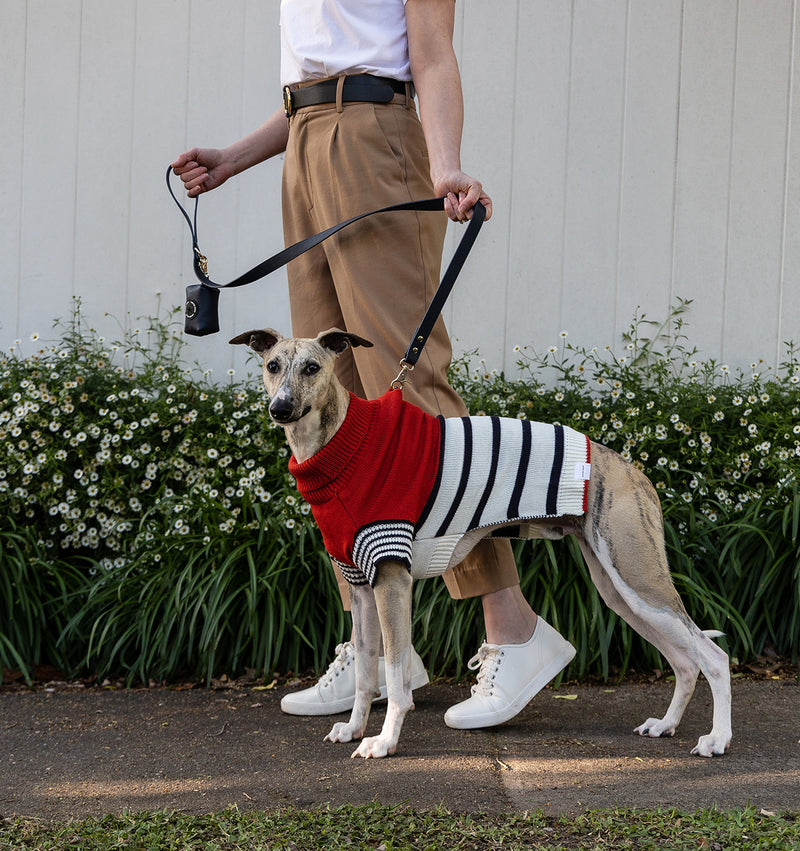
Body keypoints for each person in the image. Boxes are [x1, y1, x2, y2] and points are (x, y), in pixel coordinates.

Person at [172, 0, 575, 730]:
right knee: (332, 403)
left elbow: (428, 53)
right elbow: (317, 80)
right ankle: (378, 650)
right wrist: (235, 157)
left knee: (410, 389)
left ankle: (513, 628)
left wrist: (445, 161)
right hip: (304, 140)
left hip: (378, 144)